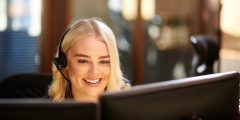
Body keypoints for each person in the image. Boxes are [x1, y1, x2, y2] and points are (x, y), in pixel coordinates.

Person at [48, 18, 130, 102]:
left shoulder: (130, 111)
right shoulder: (43, 114)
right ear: (64, 62)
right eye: (83, 61)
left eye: (103, 61)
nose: (94, 72)